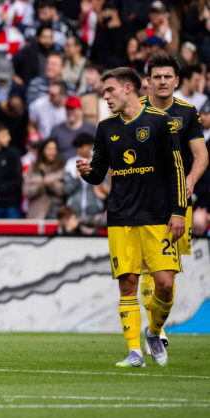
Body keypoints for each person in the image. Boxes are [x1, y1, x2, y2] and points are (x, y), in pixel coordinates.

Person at [77, 67, 187, 368]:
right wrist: (88, 172)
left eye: (110, 90)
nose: (106, 96)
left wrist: (178, 212)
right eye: (103, 92)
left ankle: (153, 332)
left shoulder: (160, 122)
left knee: (164, 283)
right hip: (121, 216)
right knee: (127, 283)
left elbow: (177, 169)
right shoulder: (105, 127)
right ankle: (135, 352)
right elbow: (100, 172)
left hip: (157, 216)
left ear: (129, 88)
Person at [138, 51, 209, 352]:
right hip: (139, 201)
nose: (163, 81)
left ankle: (154, 325)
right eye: (158, 77)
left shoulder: (188, 112)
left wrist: (190, 180)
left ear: (177, 80)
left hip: (175, 203)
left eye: (168, 76)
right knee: (144, 268)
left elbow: (201, 156)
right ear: (149, 81)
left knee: (167, 272)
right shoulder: (133, 110)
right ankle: (158, 327)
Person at [63, 133, 106, 217]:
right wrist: (77, 179)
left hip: (95, 210)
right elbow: (66, 189)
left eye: (82, 146)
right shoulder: (70, 163)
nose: (78, 149)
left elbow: (105, 187)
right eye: (77, 146)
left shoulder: (98, 162)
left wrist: (101, 187)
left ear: (90, 145)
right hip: (74, 211)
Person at [23, 139, 65, 219]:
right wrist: (40, 185)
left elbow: (66, 190)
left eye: (54, 149)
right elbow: (26, 192)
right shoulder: (33, 169)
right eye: (49, 149)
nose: (52, 152)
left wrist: (52, 184)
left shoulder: (62, 167)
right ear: (42, 150)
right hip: (37, 213)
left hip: (56, 212)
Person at [49, 95, 97, 161]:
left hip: (86, 166)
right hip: (62, 167)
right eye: (68, 108)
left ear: (80, 110)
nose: (70, 111)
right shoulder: (56, 130)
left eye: (73, 108)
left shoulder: (91, 128)